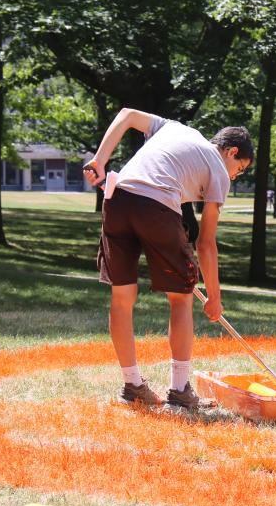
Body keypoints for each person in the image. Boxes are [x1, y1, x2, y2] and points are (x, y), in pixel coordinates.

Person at [83, 108, 253, 410]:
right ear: (232, 152)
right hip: (156, 205)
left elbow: (127, 115)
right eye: (239, 169)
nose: (235, 176)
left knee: (122, 297)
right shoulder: (217, 169)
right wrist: (214, 296)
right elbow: (206, 243)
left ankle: (132, 386)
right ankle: (179, 392)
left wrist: (100, 159)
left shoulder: (174, 128)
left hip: (117, 199)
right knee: (181, 298)